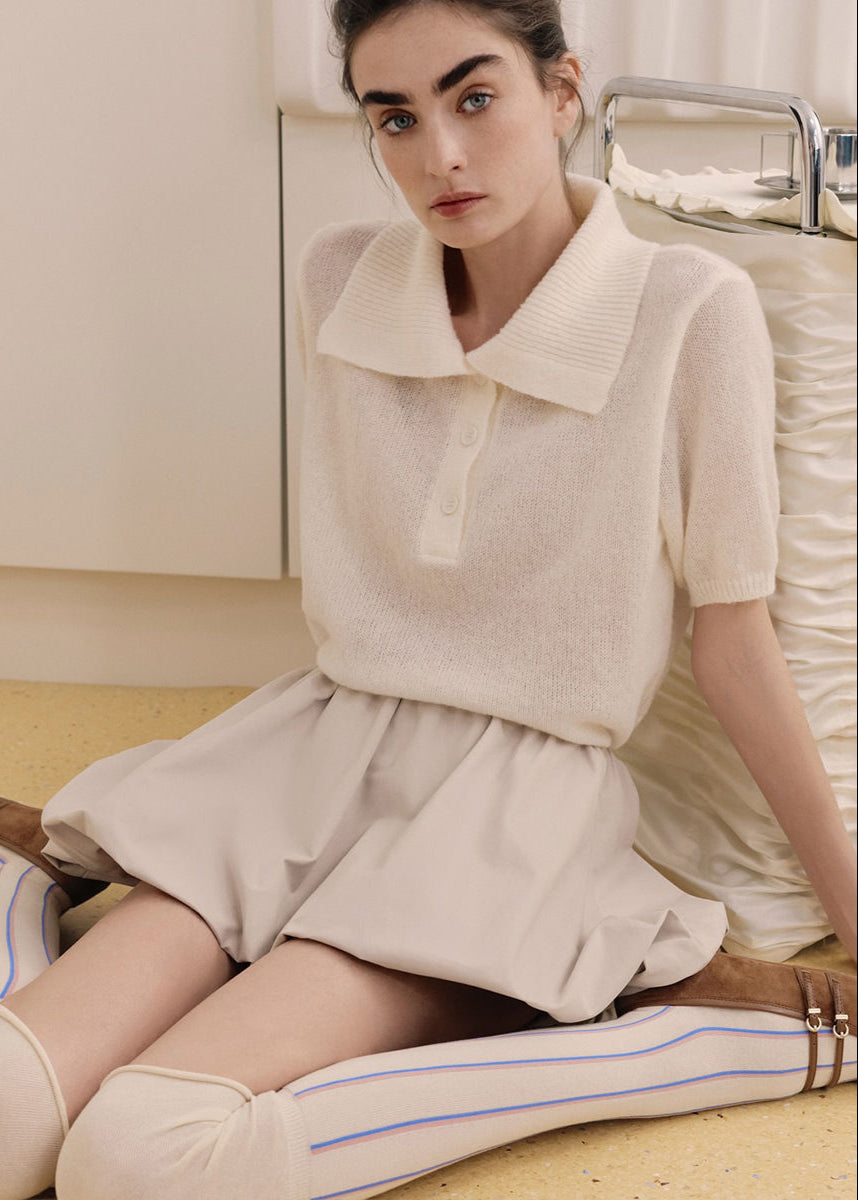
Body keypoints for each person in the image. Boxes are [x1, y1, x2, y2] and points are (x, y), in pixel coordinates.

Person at [0, 1, 855, 1197]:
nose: (440, 154)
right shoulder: (340, 275)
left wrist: (850, 909)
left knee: (142, 1158)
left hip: (508, 816)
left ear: (562, 91)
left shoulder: (688, 309)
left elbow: (733, 642)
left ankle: (696, 1043)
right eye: (394, 116)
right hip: (308, 763)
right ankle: (42, 885)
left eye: (475, 97)